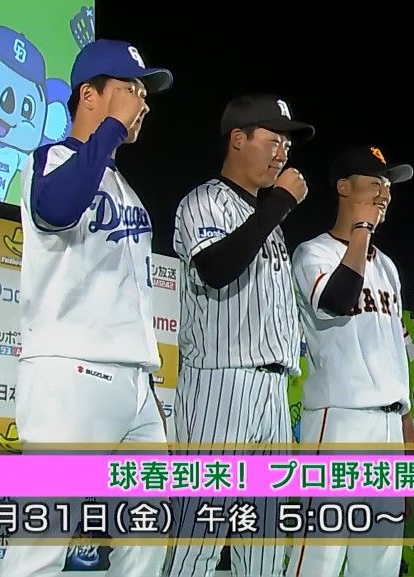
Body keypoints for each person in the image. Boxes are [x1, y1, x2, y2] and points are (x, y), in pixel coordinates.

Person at [3, 38, 172, 577]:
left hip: (132, 383)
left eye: (144, 92)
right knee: (42, 543)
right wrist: (110, 132)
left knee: (149, 534)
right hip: (70, 375)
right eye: (130, 88)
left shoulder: (125, 188)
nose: (142, 101)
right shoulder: (50, 160)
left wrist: (145, 380)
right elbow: (56, 208)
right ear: (89, 95)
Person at [168, 94, 314, 577]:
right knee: (197, 535)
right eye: (273, 139)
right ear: (238, 139)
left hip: (272, 389)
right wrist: (280, 204)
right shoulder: (205, 200)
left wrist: (273, 209)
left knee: (267, 542)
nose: (282, 152)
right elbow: (215, 268)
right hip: (220, 383)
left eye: (287, 144)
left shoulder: (267, 218)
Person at [287, 145, 414, 576]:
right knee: (319, 557)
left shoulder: (388, 267)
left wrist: (406, 424)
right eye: (375, 182)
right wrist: (362, 229)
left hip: (389, 425)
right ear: (344, 187)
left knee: (380, 561)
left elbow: (395, 352)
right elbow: (336, 301)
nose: (385, 193)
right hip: (339, 420)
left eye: (389, 185)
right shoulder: (312, 253)